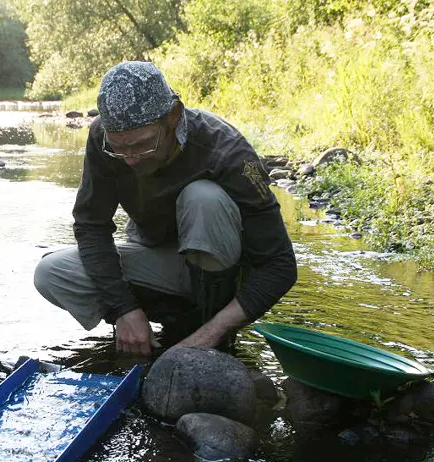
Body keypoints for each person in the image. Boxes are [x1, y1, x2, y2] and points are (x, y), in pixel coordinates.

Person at [34, 61, 297, 356]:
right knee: (51, 272)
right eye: (119, 149)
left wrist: (212, 333)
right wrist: (123, 309)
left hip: (224, 272)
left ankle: (208, 329)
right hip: (158, 260)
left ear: (173, 117)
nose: (130, 159)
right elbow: (91, 226)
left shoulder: (227, 152)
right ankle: (147, 327)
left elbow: (280, 265)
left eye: (142, 145)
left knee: (203, 198)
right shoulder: (102, 139)